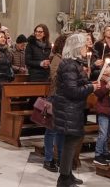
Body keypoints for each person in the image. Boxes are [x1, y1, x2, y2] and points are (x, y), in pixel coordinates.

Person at [53, 33, 99, 187]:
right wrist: (91, 86)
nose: (87, 48)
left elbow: (78, 85)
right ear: (77, 47)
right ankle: (64, 178)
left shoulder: (74, 64)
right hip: (68, 108)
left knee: (71, 142)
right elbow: (72, 91)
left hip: (73, 109)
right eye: (85, 46)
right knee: (70, 142)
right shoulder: (69, 65)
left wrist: (89, 81)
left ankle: (68, 174)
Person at [43, 34, 68, 172]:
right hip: (55, 97)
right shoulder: (57, 59)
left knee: (61, 131)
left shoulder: (66, 59)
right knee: (51, 130)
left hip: (63, 98)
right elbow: (54, 77)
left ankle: (59, 158)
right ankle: (48, 159)